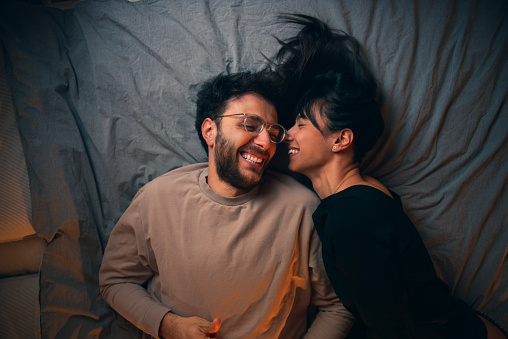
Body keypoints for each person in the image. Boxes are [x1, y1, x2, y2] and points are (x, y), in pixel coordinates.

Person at [275, 14, 508, 339]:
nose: (287, 135)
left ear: (341, 140)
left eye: (301, 125)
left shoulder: (350, 217)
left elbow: (393, 331)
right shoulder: (364, 193)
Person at [99, 70, 355, 339]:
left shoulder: (303, 210)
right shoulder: (156, 200)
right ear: (210, 131)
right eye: (249, 125)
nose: (266, 142)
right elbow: (115, 280)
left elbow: (339, 307)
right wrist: (167, 325)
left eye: (272, 131)